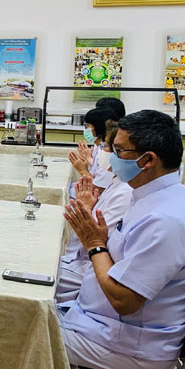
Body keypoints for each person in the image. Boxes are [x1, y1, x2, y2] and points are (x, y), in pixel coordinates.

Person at [60, 110, 185, 369]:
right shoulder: (151, 197)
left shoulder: (167, 219)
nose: (110, 160)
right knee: (34, 315)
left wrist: (95, 244)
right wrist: (100, 234)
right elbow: (125, 255)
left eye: (119, 152)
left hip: (131, 341)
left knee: (25, 340)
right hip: (105, 324)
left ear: (148, 160)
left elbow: (125, 300)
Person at [55, 122, 132, 305]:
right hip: (84, 262)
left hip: (92, 271)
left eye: (106, 147)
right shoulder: (118, 182)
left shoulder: (126, 191)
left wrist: (86, 212)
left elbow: (99, 239)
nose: (102, 151)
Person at [69, 107, 116, 190]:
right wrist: (88, 159)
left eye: (88, 126)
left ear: (97, 127)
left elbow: (99, 189)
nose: (86, 129)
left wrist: (83, 171)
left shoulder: (107, 153)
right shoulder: (99, 147)